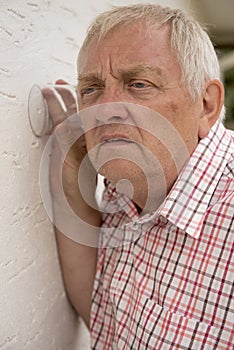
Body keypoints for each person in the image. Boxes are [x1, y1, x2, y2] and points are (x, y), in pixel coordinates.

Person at [43, 3, 234, 349]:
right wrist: (70, 169)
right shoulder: (129, 183)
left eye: (139, 84)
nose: (105, 110)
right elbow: (105, 316)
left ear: (206, 104)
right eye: (91, 89)